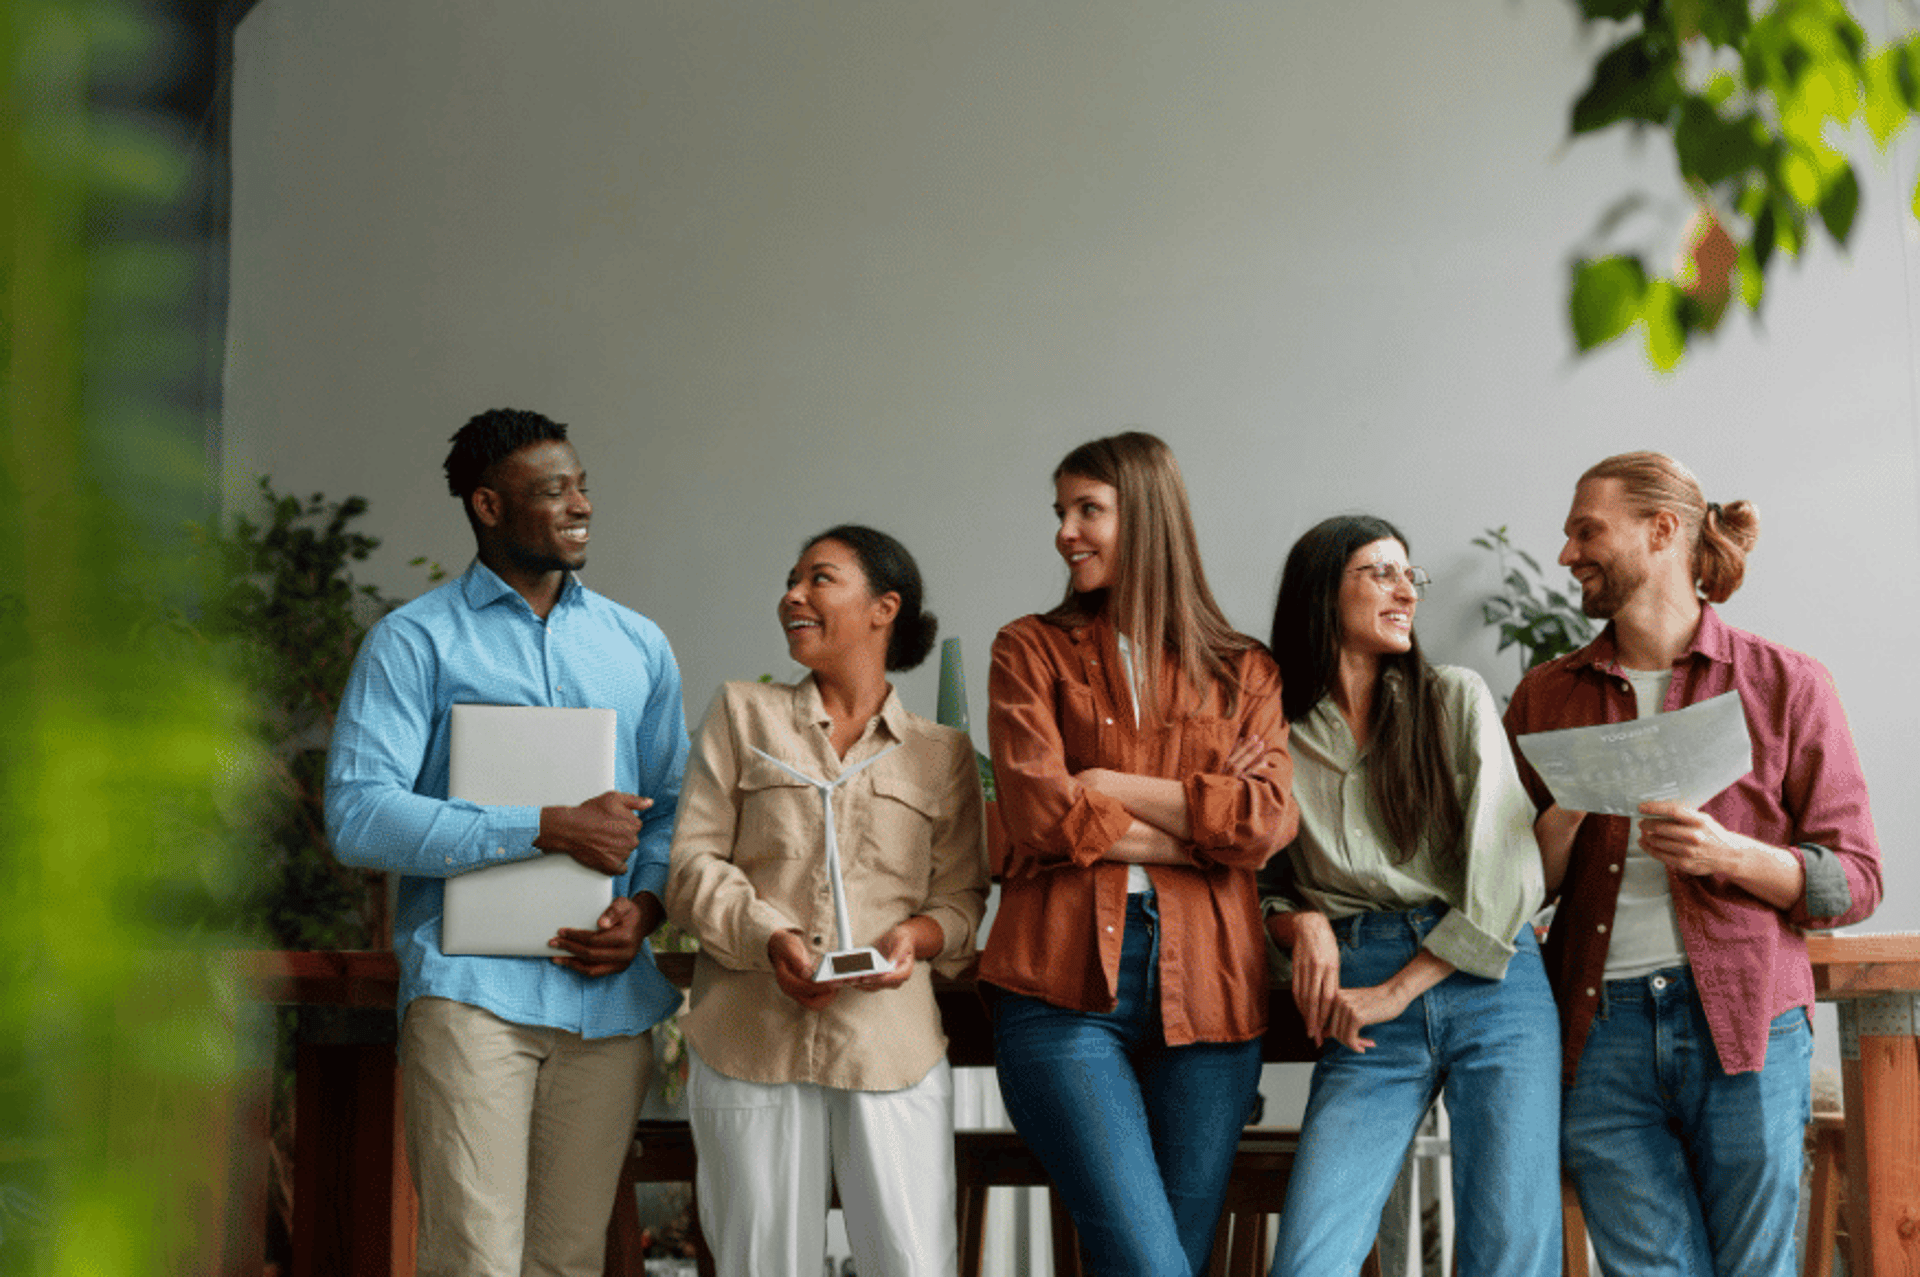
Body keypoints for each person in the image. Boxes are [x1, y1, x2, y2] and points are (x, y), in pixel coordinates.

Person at [326, 408, 689, 1277]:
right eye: (554, 489)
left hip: (607, 1005)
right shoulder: (413, 641)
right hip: (472, 998)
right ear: (488, 505)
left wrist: (643, 908)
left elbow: (677, 811)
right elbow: (358, 813)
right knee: (475, 1258)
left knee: (566, 1261)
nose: (582, 504)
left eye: (583, 484)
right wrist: (543, 824)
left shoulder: (637, 645)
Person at [1506, 452, 1883, 1277]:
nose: (1568, 553)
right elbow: (1509, 888)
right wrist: (1564, 815)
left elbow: (1855, 876)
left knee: (1755, 1266)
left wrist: (1732, 855)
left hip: (1747, 1023)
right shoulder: (1546, 696)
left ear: (1663, 530)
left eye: (1586, 531)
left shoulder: (1786, 682)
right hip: (1598, 1031)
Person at [982, 431, 1296, 1277]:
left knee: (1172, 1265)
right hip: (1060, 992)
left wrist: (1105, 778)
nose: (1065, 532)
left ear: (1147, 518)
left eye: (1089, 510)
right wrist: (1204, 839)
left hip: (1213, 1003)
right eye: (1061, 512)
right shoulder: (1028, 651)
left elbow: (1267, 821)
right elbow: (1042, 814)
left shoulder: (1244, 670)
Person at [664, 524, 988, 1277]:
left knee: (913, 1263)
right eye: (791, 579)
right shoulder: (743, 714)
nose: (793, 595)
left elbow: (963, 900)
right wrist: (770, 934)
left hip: (892, 1048)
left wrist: (917, 934)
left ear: (884, 608)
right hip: (750, 1041)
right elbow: (690, 864)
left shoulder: (940, 754)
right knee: (758, 1266)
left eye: (820, 578)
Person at [1260, 515, 1561, 1277]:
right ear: (1324, 594)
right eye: (1380, 572)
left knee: (1507, 1252)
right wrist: (1300, 924)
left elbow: (1509, 873)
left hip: (1492, 979)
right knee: (1310, 1257)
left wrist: (1400, 988)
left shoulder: (1452, 698)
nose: (1405, 590)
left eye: (1410, 575)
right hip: (1359, 995)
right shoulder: (1276, 731)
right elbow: (1256, 875)